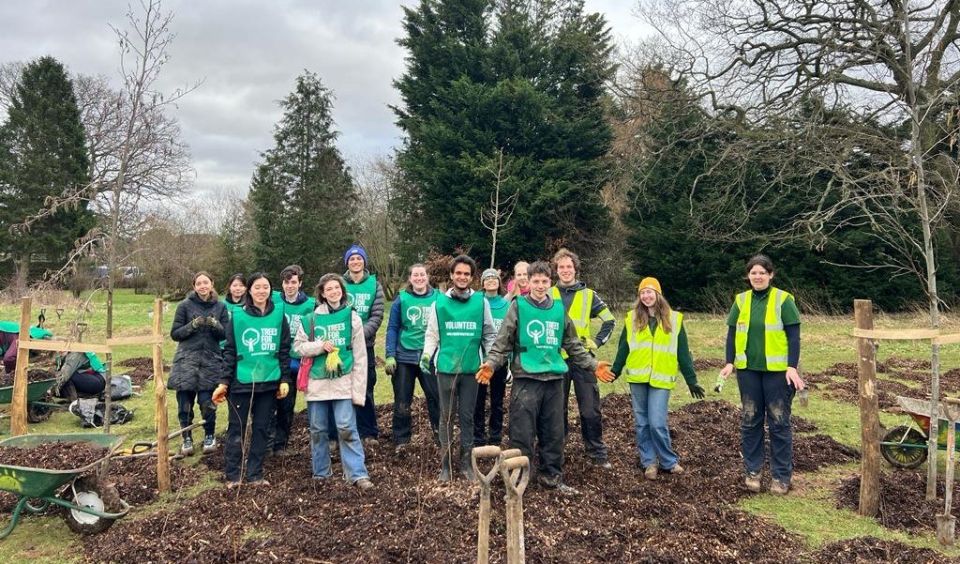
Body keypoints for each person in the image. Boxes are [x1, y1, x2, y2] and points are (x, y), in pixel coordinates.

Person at [478, 261, 613, 494]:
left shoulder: (558, 309)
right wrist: (491, 364)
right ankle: (520, 478)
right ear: (528, 283)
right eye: (536, 281)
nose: (540, 286)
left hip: (553, 379)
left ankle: (552, 476)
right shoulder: (518, 306)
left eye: (544, 281)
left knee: (554, 432)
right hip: (526, 379)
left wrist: (592, 365)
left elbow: (572, 344)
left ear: (550, 283)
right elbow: (503, 341)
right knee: (522, 431)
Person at [717, 255, 803, 495]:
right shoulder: (741, 301)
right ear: (748, 276)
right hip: (748, 372)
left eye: (762, 273)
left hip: (777, 373)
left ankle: (781, 476)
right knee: (750, 419)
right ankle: (753, 472)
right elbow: (732, 334)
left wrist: (792, 366)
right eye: (753, 273)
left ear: (771, 275)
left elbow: (794, 336)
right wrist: (729, 362)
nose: (757, 277)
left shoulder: (784, 300)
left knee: (778, 421)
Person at [609, 277, 705, 480]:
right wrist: (615, 370)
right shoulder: (632, 318)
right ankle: (649, 462)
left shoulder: (674, 319)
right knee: (642, 423)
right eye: (642, 292)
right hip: (638, 377)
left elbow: (683, 352)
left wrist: (691, 380)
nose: (646, 296)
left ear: (658, 294)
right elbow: (624, 347)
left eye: (650, 292)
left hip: (661, 378)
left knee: (657, 422)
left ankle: (668, 461)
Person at [293, 274, 373, 490]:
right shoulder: (310, 319)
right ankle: (321, 472)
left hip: (343, 381)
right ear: (322, 293)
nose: (333, 292)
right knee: (318, 429)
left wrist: (358, 391)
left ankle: (357, 474)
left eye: (337, 288)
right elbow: (298, 347)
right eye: (329, 289)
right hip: (317, 383)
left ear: (342, 291)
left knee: (347, 427)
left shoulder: (352, 318)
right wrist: (319, 346)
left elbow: (360, 356)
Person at [422, 255, 497, 481]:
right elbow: (432, 334)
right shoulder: (439, 303)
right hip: (446, 368)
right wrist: (427, 354)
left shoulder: (481, 302)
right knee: (446, 417)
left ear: (472, 277)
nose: (462, 277)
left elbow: (490, 334)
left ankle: (466, 464)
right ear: (452, 275)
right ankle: (446, 466)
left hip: (471, 370)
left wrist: (490, 360)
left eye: (467, 274)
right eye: (458, 273)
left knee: (467, 417)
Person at [215, 272, 292, 487]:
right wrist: (224, 381)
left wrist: (285, 378)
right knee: (237, 429)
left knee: (261, 428)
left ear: (271, 290)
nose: (261, 291)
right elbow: (229, 351)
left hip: (268, 381)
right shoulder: (238, 317)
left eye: (265, 287)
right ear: (250, 290)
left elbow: (284, 349)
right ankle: (233, 476)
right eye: (257, 287)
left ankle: (255, 474)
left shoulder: (279, 315)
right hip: (241, 382)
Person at [551, 248, 616, 468]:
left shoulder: (589, 295)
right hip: (556, 359)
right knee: (556, 408)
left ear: (576, 269)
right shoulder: (549, 294)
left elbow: (610, 321)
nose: (566, 270)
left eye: (569, 266)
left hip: (583, 359)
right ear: (556, 270)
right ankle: (557, 449)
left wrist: (596, 343)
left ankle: (596, 452)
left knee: (590, 408)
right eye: (561, 267)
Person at [169, 271, 229, 455]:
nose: (203, 286)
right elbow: (175, 334)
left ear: (212, 284)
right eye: (199, 283)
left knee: (207, 402)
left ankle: (209, 435)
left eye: (206, 282)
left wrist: (215, 325)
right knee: (185, 403)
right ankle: (186, 437)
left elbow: (225, 334)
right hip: (186, 360)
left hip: (210, 360)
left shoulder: (220, 307)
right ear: (194, 286)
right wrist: (192, 326)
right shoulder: (184, 306)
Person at [385, 263, 441, 451]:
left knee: (436, 398)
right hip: (404, 357)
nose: (419, 278)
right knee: (402, 400)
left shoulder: (438, 298)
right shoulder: (401, 300)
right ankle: (401, 440)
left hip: (430, 357)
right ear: (410, 279)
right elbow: (392, 328)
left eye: (422, 275)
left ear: (427, 277)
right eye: (415, 275)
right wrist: (390, 355)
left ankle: (440, 436)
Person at [270, 264, 316, 456]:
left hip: (301, 359)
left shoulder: (310, 304)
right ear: (282, 284)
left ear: (300, 283)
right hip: (279, 360)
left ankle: (283, 444)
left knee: (296, 403)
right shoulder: (274, 301)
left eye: (294, 282)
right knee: (277, 402)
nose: (290, 286)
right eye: (287, 283)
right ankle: (272, 443)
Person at [342, 244, 385, 445]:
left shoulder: (374, 285)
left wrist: (358, 336)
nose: (356, 261)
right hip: (341, 347)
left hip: (364, 345)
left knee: (366, 388)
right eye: (352, 259)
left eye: (359, 258)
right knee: (342, 389)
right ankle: (346, 431)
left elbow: (376, 316)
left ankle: (369, 432)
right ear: (347, 263)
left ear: (364, 261)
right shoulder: (339, 284)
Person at [474, 268, 509, 446]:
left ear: (499, 282)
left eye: (493, 278)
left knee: (497, 400)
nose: (490, 281)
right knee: (478, 400)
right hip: (480, 359)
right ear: (482, 283)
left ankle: (495, 436)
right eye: (486, 279)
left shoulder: (506, 305)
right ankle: (478, 436)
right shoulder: (477, 302)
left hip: (500, 360)